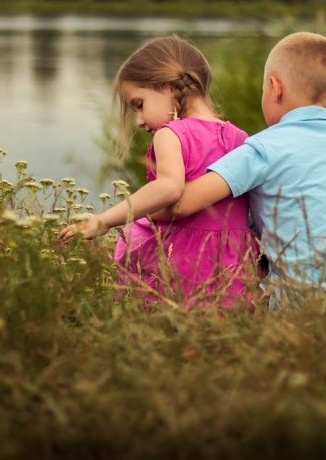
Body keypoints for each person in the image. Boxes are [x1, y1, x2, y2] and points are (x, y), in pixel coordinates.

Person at [159, 32, 326, 304]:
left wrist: (133, 215)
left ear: (274, 88)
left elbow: (180, 204)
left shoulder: (263, 148)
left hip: (305, 306)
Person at [58, 35, 259, 307]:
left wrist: (104, 220)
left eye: (139, 105)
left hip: (187, 262)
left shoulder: (171, 134)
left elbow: (169, 188)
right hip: (234, 262)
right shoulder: (239, 137)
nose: (139, 121)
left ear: (168, 86)